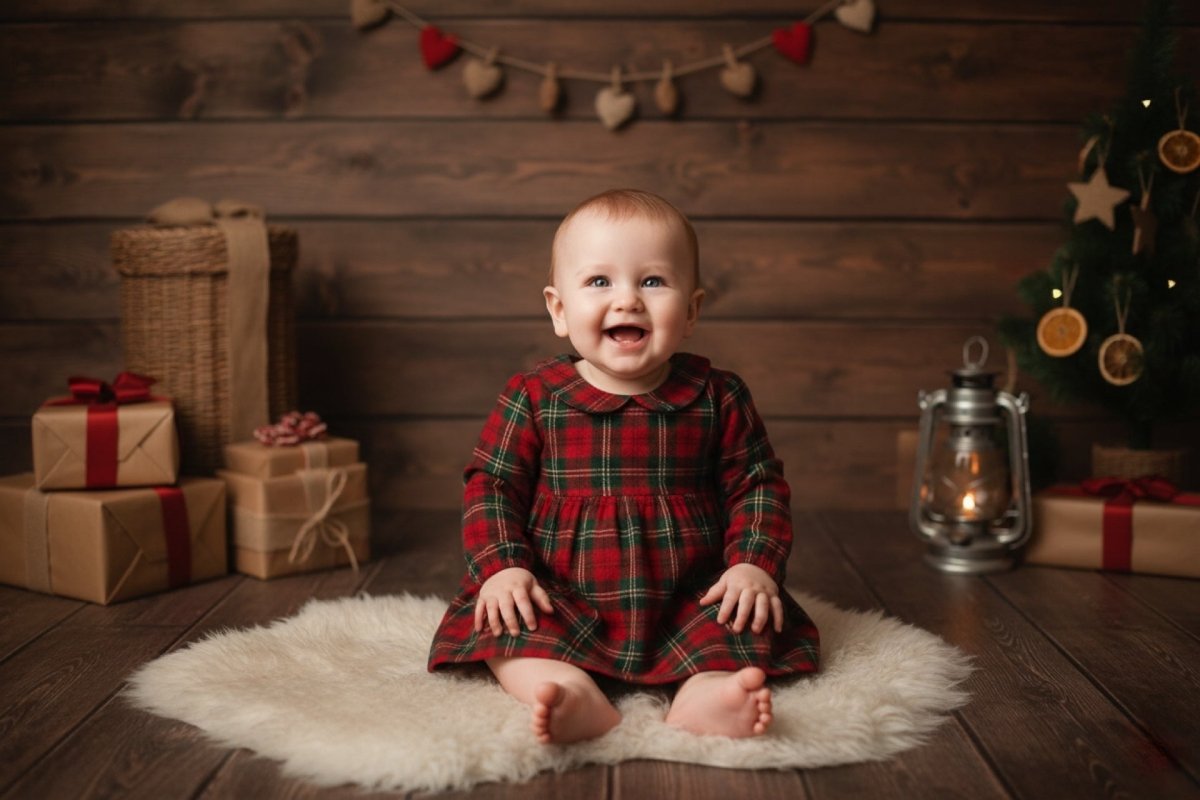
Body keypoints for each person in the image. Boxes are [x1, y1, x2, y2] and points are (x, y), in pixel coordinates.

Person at [428, 189, 819, 744]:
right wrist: (503, 567)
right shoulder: (534, 396)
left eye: (653, 281)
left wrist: (753, 566)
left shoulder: (717, 395)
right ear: (559, 310)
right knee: (507, 630)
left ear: (691, 311)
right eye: (599, 282)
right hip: (561, 588)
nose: (628, 300)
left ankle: (706, 696)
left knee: (740, 623)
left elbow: (756, 487)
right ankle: (568, 690)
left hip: (689, 590)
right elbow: (492, 486)